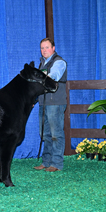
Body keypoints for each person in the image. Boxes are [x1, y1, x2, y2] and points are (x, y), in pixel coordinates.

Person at [34, 38, 67, 172]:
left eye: (47, 47)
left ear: (53, 48)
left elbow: (53, 77)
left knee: (56, 133)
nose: (44, 50)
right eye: (42, 48)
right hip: (43, 102)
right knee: (45, 134)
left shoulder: (59, 62)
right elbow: (37, 85)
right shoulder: (42, 63)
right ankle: (46, 162)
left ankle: (57, 163)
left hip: (55, 102)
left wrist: (40, 77)